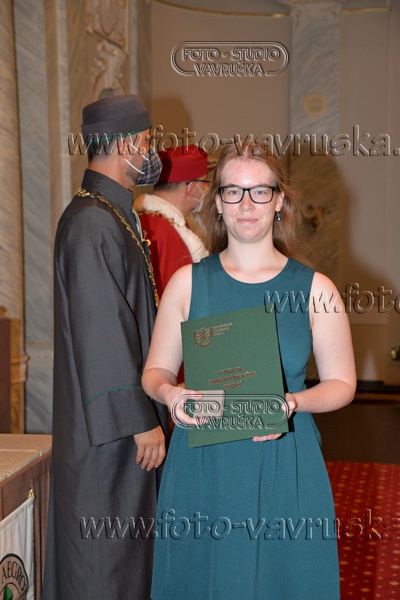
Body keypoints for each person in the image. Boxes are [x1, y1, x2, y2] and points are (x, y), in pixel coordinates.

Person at [142, 140, 356, 600]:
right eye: (233, 191)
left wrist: (292, 402)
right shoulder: (188, 282)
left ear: (279, 200)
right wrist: (170, 394)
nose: (246, 204)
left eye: (259, 191)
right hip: (204, 464)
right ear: (217, 202)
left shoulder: (316, 288)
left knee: (285, 583)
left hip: (285, 460)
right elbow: (155, 370)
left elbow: (342, 384)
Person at [42, 95, 169, 600]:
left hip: (119, 430)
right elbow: (102, 330)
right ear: (124, 145)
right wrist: (140, 420)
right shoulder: (92, 221)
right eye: (147, 141)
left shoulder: (110, 214)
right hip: (111, 438)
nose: (152, 152)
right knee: (105, 566)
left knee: (126, 561)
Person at [134, 144, 209, 299]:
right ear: (192, 187)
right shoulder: (166, 232)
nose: (207, 188)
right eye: (205, 182)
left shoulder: (146, 219)